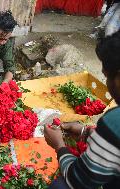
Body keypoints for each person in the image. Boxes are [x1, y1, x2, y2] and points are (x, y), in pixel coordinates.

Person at [44, 30, 120, 189]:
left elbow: (76, 181)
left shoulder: (115, 120)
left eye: (106, 76)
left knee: (60, 186)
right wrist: (86, 132)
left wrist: (59, 145)